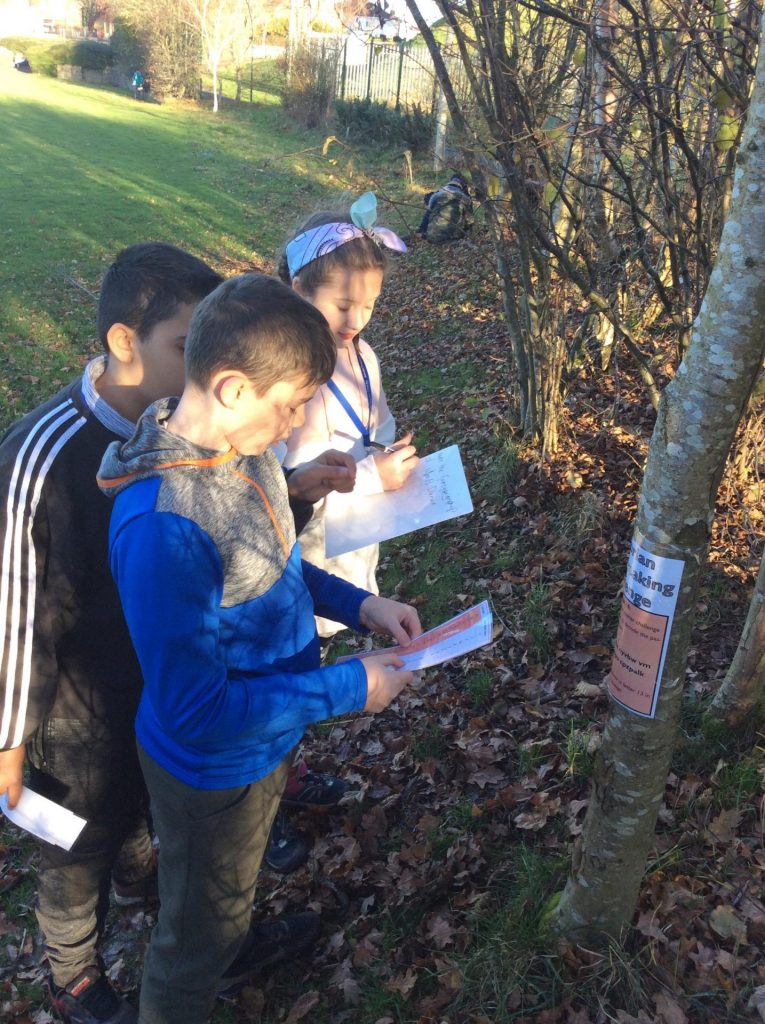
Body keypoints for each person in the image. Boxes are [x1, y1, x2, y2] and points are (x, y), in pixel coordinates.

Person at [0, 242, 354, 1024]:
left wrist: (299, 507)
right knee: (81, 841)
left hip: (170, 686)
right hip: (80, 704)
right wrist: (8, 740)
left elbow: (238, 557)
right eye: (183, 343)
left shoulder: (214, 440)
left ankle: (174, 908)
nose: (196, 359)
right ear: (125, 342)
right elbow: (15, 606)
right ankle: (73, 971)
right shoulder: (48, 457)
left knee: (157, 834)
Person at [97, 273, 421, 1024]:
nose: (295, 422)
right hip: (212, 773)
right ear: (234, 388)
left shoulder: (243, 452)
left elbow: (275, 562)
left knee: (227, 897)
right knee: (193, 938)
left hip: (265, 741)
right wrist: (350, 688)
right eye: (290, 404)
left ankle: (236, 941)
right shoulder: (163, 529)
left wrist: (360, 604)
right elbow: (196, 710)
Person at [279, 191, 419, 639]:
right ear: (299, 289)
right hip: (304, 570)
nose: (356, 320)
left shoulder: (363, 357)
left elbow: (379, 422)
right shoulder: (285, 373)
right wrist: (373, 477)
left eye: (369, 305)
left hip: (354, 549)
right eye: (342, 305)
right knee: (308, 649)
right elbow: (283, 488)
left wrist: (387, 451)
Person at [416, 172, 474, 243]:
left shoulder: (436, 195)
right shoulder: (465, 199)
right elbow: (470, 222)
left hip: (433, 236)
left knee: (429, 212)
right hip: (454, 237)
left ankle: (423, 231)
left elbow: (427, 214)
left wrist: (421, 230)